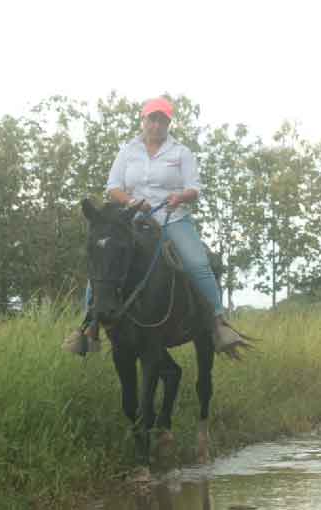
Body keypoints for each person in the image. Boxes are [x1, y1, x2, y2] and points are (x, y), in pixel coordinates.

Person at [63, 97, 246, 357]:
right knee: (105, 259)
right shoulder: (128, 151)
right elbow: (113, 187)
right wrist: (132, 202)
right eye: (152, 118)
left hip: (173, 218)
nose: (157, 124)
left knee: (197, 263)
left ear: (169, 123)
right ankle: (88, 327)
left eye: (162, 120)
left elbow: (194, 188)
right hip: (134, 219)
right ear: (143, 119)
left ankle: (218, 324)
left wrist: (180, 197)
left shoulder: (181, 152)